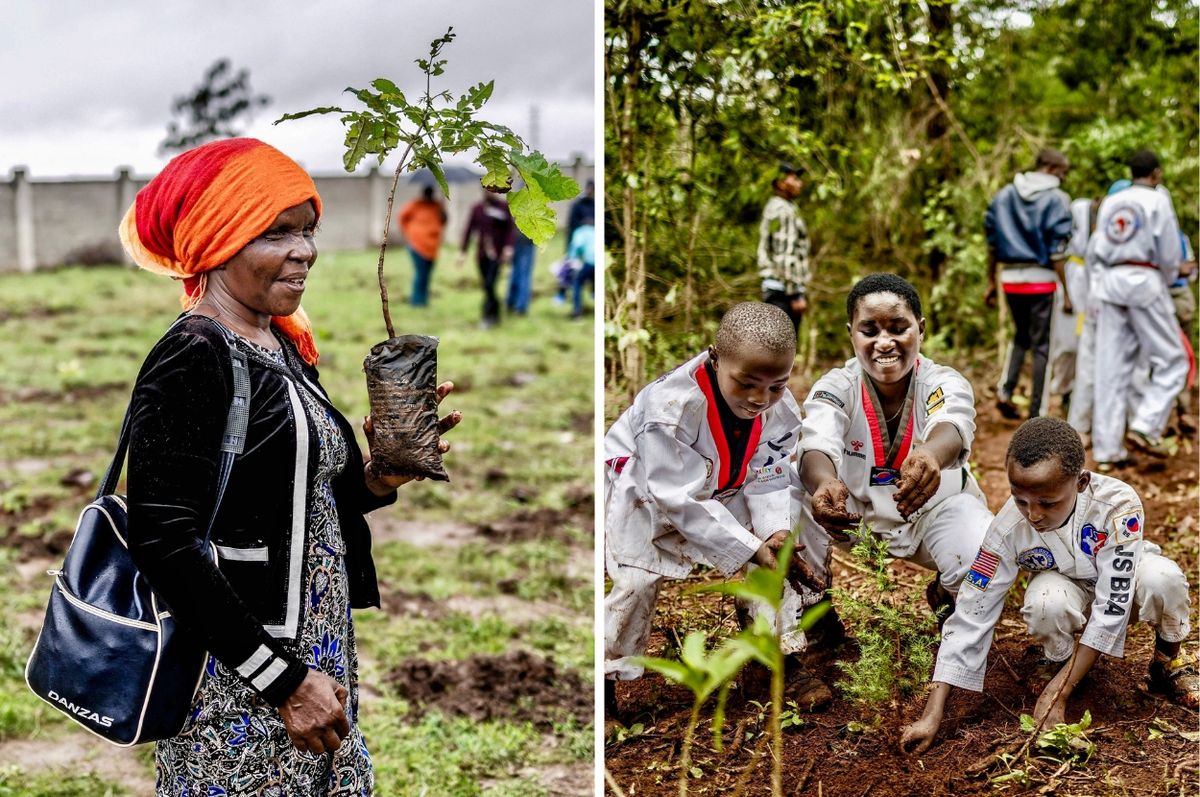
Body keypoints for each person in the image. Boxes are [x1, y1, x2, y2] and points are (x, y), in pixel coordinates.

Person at [118, 138, 461, 795]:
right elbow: (162, 538)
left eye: (308, 230)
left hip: (317, 654)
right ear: (220, 238)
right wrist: (283, 679)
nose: (304, 250)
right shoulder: (194, 355)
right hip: (238, 671)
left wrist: (380, 475)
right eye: (278, 231)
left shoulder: (279, 341)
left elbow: (308, 500)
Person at [900, 418, 1195, 754]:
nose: (1033, 514)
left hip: (1123, 584)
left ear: (1081, 482)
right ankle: (1061, 662)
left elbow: (1113, 603)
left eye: (1048, 503)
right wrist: (932, 713)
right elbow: (971, 610)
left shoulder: (1117, 505)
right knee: (1045, 602)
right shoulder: (1006, 529)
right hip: (1066, 589)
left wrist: (1058, 695)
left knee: (1163, 579)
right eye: (1020, 499)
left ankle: (1167, 661)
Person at [604, 302, 817, 720]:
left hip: (724, 483)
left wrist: (772, 532)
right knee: (635, 583)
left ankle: (773, 658)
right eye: (748, 383)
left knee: (776, 554)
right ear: (715, 358)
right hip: (644, 488)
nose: (761, 398)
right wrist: (749, 546)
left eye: (777, 384)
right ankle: (605, 688)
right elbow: (677, 497)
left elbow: (770, 474)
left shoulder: (782, 408)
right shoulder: (669, 408)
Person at [795, 274, 993, 641]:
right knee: (786, 497)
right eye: (869, 330)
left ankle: (950, 599)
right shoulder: (836, 386)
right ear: (851, 333)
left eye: (898, 328)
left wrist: (932, 456)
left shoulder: (943, 381)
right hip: (852, 519)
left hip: (931, 515)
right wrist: (823, 483)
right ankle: (814, 618)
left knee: (983, 556)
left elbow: (953, 421)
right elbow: (818, 437)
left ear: (921, 328)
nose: (884, 342)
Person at [1086, 150, 1186, 470]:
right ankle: (1146, 423)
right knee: (1174, 360)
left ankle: (1107, 450)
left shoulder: (1113, 202)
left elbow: (1097, 247)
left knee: (1111, 368)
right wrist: (1167, 278)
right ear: (1156, 174)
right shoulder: (1158, 200)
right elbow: (1169, 249)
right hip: (1144, 280)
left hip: (1111, 283)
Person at [985, 149, 1074, 420]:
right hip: (1041, 281)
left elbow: (992, 246)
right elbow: (1057, 252)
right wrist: (1067, 293)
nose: (1064, 177)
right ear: (1050, 168)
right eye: (1063, 171)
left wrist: (990, 282)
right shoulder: (1057, 199)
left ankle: (1006, 391)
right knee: (1041, 346)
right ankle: (1038, 411)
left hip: (1010, 279)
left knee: (1021, 336)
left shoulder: (1003, 196)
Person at [757, 162, 811, 338]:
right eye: (794, 178)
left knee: (779, 347)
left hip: (780, 289)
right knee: (782, 348)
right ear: (780, 183)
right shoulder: (782, 210)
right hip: (782, 292)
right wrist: (795, 294)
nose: (799, 183)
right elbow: (784, 255)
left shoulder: (786, 207)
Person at [460, 189, 516, 328]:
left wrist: (508, 247)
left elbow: (510, 229)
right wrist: (462, 251)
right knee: (487, 285)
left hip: (497, 255)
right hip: (482, 255)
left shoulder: (503, 207)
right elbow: (469, 230)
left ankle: (487, 316)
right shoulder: (477, 209)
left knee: (490, 284)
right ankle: (496, 313)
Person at [397, 185, 447, 307]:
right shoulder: (415, 204)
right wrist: (408, 232)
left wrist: (443, 208)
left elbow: (444, 220)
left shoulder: (437, 205)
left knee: (426, 275)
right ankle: (417, 301)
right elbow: (402, 217)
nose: (428, 197)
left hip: (432, 246)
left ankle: (423, 300)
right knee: (421, 274)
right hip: (417, 245)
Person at [560, 179, 595, 304]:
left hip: (587, 252)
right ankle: (562, 294)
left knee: (578, 279)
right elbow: (571, 225)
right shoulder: (577, 205)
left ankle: (577, 310)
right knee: (569, 269)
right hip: (577, 242)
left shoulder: (594, 206)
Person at [568, 209, 595, 319]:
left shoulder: (579, 232)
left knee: (577, 283)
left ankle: (577, 311)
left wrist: (572, 260)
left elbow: (576, 247)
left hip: (587, 262)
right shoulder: (595, 231)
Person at [507, 226, 536, 315]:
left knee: (514, 271)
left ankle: (511, 302)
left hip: (514, 237)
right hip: (527, 239)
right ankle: (521, 307)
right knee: (525, 274)